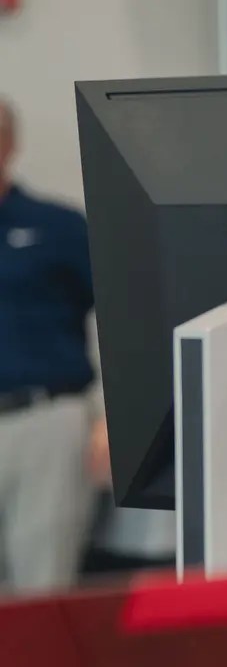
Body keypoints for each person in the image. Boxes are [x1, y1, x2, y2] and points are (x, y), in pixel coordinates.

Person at [0, 98, 110, 591]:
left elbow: (126, 324)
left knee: (40, 587)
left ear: (8, 145)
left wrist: (113, 419)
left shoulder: (59, 228)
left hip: (44, 422)